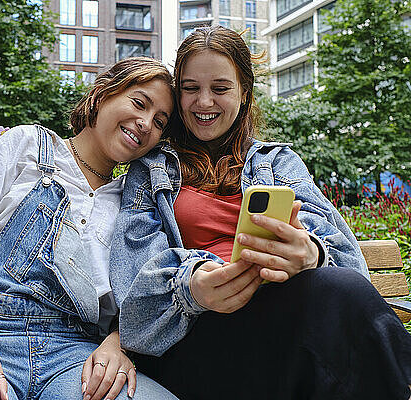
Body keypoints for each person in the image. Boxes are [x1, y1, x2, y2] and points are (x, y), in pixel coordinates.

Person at [109, 26, 411, 399]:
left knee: (337, 292)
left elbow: (348, 260)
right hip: (197, 339)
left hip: (286, 325)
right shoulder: (152, 168)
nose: (204, 102)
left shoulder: (277, 161)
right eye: (190, 88)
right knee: (336, 308)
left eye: (220, 88)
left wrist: (311, 253)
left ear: (244, 92)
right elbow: (133, 287)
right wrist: (194, 285)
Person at [0, 57, 178, 400]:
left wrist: (119, 343)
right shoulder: (27, 147)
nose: (146, 123)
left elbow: (142, 293)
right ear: (104, 93)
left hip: (77, 356)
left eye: (160, 122)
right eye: (139, 103)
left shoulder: (132, 202)